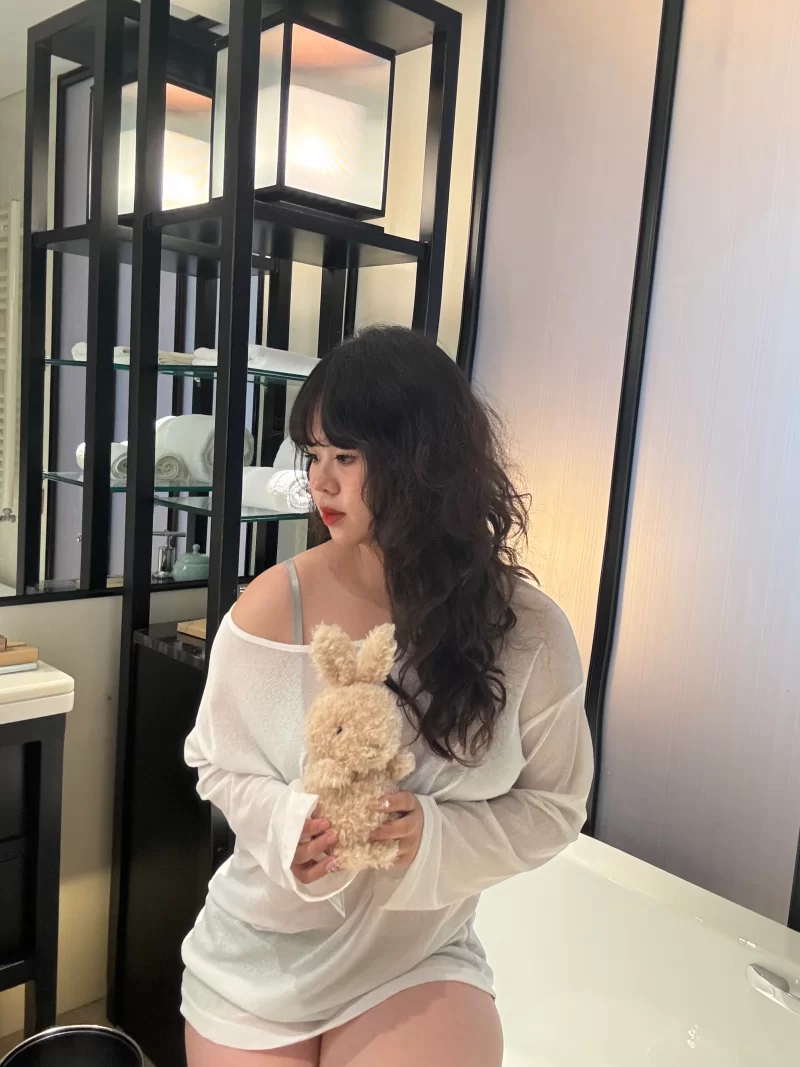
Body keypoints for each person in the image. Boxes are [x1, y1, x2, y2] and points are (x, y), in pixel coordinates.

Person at [180, 326, 593, 1067]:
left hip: (416, 957)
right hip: (260, 957)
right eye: (313, 455)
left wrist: (430, 835)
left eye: (346, 456)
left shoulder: (527, 631)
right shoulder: (273, 608)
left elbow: (556, 805)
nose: (321, 483)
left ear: (423, 460)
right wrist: (286, 823)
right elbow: (216, 763)